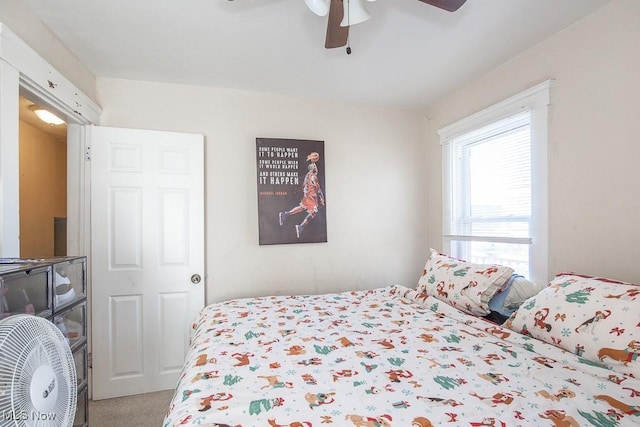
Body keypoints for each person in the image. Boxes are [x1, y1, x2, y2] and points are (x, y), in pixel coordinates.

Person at [279, 153, 325, 238]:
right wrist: (322, 198)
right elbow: (318, 189)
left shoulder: (307, 175)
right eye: (315, 167)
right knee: (314, 212)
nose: (316, 168)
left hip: (307, 195)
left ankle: (285, 214)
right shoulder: (314, 177)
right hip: (312, 197)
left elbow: (304, 186)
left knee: (302, 207)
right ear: (313, 169)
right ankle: (300, 227)